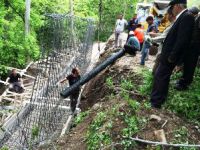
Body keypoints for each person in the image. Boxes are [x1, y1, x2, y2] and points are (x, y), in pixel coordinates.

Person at [150, 0, 195, 108]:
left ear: (177, 5)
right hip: (168, 54)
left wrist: (172, 57)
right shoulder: (183, 16)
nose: (171, 10)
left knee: (160, 76)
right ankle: (160, 99)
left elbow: (182, 39)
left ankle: (155, 103)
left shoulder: (187, 16)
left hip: (170, 55)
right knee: (162, 76)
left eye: (172, 7)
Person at [175, 6, 200, 90]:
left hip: (195, 46)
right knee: (187, 63)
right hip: (191, 45)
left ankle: (184, 83)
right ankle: (183, 81)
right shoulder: (197, 17)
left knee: (190, 65)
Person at [151, 7, 176, 75]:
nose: (166, 16)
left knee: (156, 70)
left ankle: (154, 82)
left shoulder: (173, 25)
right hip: (162, 49)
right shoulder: (171, 24)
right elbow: (164, 34)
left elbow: (164, 36)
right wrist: (155, 34)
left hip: (164, 50)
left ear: (171, 15)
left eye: (167, 14)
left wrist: (151, 40)